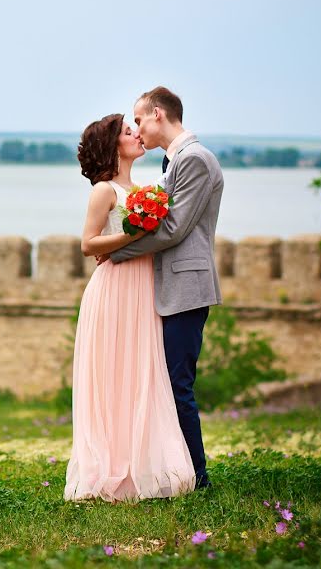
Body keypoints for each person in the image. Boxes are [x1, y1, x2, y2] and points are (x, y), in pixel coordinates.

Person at [63, 111, 196, 502]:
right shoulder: (104, 191)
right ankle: (108, 470)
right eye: (127, 131)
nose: (137, 134)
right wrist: (131, 233)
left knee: (141, 374)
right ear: (112, 145)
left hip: (142, 291)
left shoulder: (142, 190)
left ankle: (142, 467)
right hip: (113, 291)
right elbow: (88, 244)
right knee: (113, 375)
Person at [102, 86, 224, 489]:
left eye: (138, 120)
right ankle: (179, 472)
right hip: (168, 287)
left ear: (157, 114)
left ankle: (198, 478)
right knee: (168, 382)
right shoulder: (176, 163)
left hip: (186, 287)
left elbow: (172, 229)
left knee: (176, 383)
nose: (137, 129)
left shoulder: (194, 160)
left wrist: (117, 252)